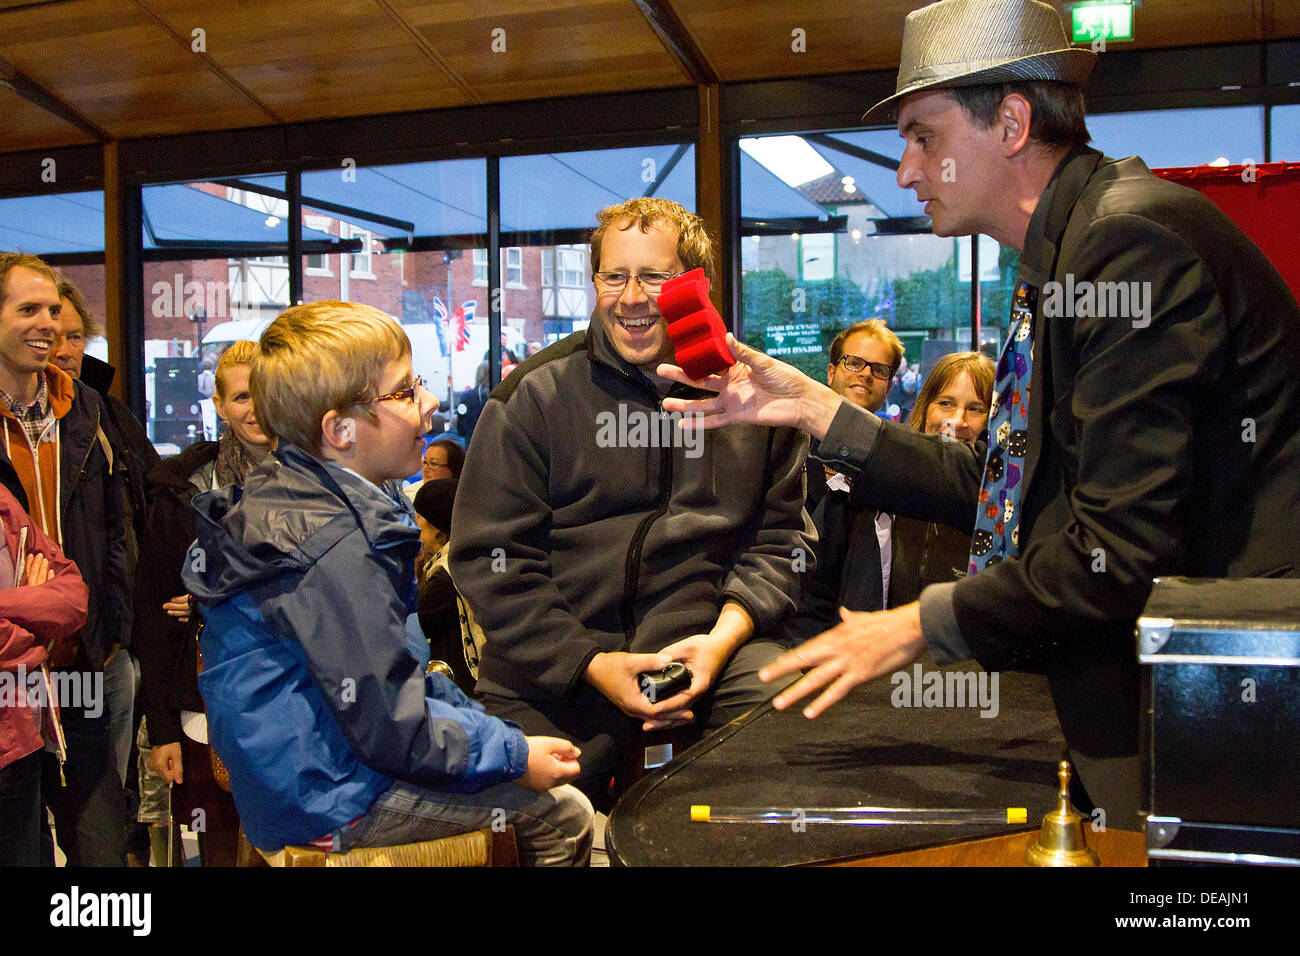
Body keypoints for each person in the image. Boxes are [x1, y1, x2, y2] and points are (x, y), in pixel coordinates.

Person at [659, 0, 1300, 827]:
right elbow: (1010, 485)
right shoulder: (1072, 248)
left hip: (1230, 697)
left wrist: (913, 627)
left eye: (924, 136)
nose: (905, 171)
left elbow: (1114, 548)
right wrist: (815, 408)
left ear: (1010, 122)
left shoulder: (1125, 242)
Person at [181, 301, 592, 864]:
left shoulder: (313, 501)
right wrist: (515, 756)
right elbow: (389, 727)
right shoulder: (333, 544)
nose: (431, 402)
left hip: (309, 773)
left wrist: (501, 740)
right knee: (565, 817)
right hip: (328, 794)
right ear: (339, 430)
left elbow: (400, 681)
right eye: (404, 391)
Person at [450, 197, 814, 807]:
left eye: (655, 277)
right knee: (514, 814)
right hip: (556, 670)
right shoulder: (533, 396)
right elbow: (492, 561)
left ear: (694, 286)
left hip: (709, 656)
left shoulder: (757, 397)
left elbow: (782, 544)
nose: (632, 297)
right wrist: (592, 663)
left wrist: (721, 642)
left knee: (787, 718)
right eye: (614, 276)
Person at [0, 252, 130, 866]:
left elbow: (114, 529)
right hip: (8, 676)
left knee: (101, 847)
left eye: (53, 309)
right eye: (28, 309)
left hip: (80, 659)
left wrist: (110, 631)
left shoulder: (84, 406)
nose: (48, 323)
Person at [134, 340, 269, 866]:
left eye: (262, 393)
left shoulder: (322, 479)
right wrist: (161, 729)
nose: (254, 409)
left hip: (306, 709)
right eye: (240, 397)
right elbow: (150, 607)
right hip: (201, 715)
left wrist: (214, 601)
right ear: (218, 404)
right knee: (210, 853)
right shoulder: (181, 488)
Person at [52, 276, 160, 861]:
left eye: (74, 334)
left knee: (100, 820)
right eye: (49, 328)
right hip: (22, 657)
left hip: (101, 648)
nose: (64, 347)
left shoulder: (104, 413)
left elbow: (134, 522)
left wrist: (121, 632)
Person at [785, 321, 902, 645]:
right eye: (854, 363)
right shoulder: (790, 448)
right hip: (786, 628)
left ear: (889, 386)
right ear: (831, 371)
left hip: (863, 642)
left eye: (878, 369)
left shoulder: (896, 469)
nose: (865, 374)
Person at [0, 473, 89, 866]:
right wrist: (32, 611)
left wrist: (6, 606)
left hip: (19, 738)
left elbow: (72, 601)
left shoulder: (4, 503)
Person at [889, 352, 994, 608]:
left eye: (975, 409)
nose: (957, 421)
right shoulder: (888, 485)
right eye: (946, 403)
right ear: (926, 407)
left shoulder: (1000, 509)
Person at [413, 478, 483, 696]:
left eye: (418, 520)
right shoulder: (466, 556)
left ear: (437, 529)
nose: (414, 528)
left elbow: (414, 626)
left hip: (459, 687)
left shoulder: (445, 577)